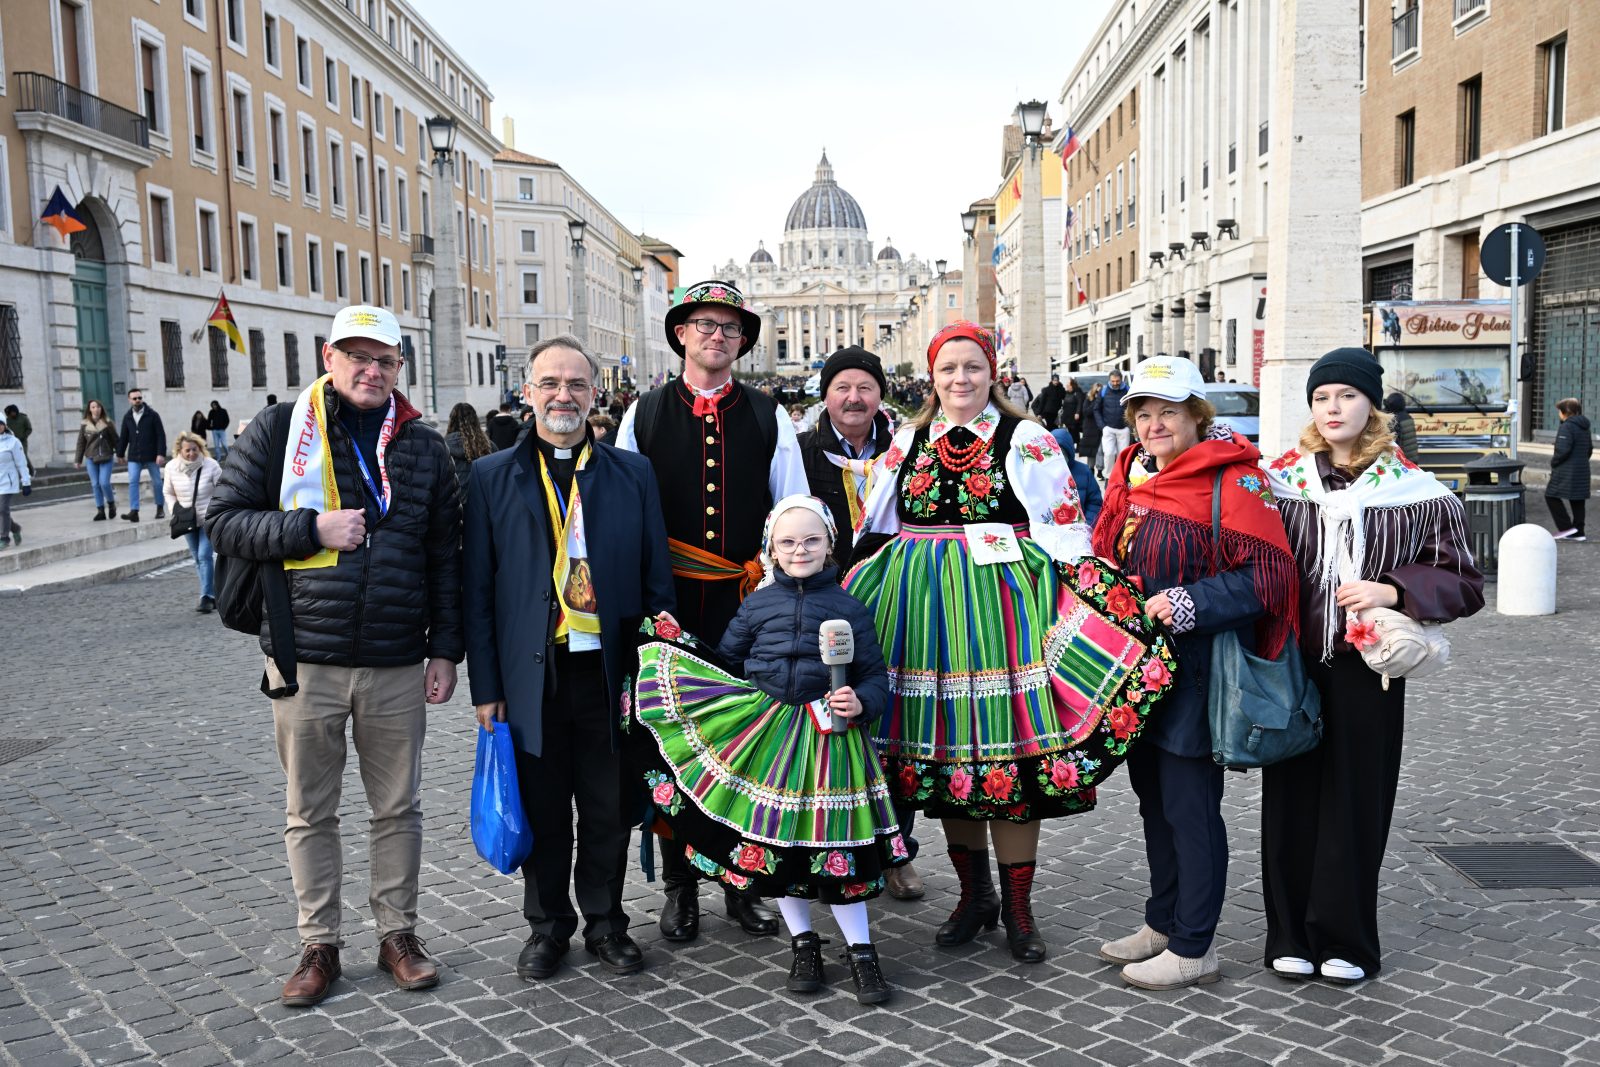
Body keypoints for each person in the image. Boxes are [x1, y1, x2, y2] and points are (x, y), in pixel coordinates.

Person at [847, 323, 1173, 965]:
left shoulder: (1024, 437)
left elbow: (1063, 527)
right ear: (932, 378)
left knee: (1006, 749)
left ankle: (1019, 907)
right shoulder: (908, 440)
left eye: (972, 367)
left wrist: (1095, 593)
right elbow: (875, 523)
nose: (960, 379)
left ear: (992, 373)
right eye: (948, 369)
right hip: (922, 615)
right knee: (945, 754)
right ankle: (976, 897)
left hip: (1002, 609)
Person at [206, 304, 463, 1008]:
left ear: (399, 367)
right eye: (356, 355)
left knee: (398, 807)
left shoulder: (424, 448)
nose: (370, 370)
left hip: (396, 658)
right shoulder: (280, 429)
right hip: (304, 657)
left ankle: (397, 935)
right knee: (309, 810)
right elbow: (222, 520)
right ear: (329, 357)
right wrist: (308, 529)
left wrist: (446, 649)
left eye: (383, 359)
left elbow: (445, 556)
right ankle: (318, 943)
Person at [1262, 349, 1484, 986]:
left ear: (1372, 404)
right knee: (1290, 800)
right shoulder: (1279, 483)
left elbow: (1464, 582)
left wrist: (1393, 588)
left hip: (1368, 668)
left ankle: (1346, 939)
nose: (1332, 408)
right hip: (1293, 661)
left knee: (1357, 800)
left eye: (1346, 396)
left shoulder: (1415, 492)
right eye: (1321, 397)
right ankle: (1289, 934)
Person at [463, 336, 675, 982]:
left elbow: (656, 583)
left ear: (594, 393)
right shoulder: (490, 476)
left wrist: (654, 672)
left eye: (577, 384)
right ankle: (547, 926)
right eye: (550, 383)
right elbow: (478, 591)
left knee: (608, 808)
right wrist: (486, 687)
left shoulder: (632, 474)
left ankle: (607, 923)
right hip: (533, 675)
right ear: (528, 392)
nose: (564, 395)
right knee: (545, 808)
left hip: (610, 675)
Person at [634, 496, 901, 1004]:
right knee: (778, 846)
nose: (800, 550)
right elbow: (724, 662)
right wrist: (678, 645)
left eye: (811, 541)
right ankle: (803, 944)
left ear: (829, 545)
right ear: (772, 550)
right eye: (788, 542)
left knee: (838, 846)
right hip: (769, 737)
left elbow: (874, 676)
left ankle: (862, 952)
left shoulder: (849, 607)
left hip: (831, 740)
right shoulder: (756, 605)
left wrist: (861, 701)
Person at [1091, 355, 1298, 991]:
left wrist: (1190, 602)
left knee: (1190, 809)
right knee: (1154, 803)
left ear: (1197, 416)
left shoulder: (1233, 480)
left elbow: (1269, 577)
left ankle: (1194, 945)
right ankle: (1163, 921)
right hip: (1137, 674)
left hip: (1198, 675)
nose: (1154, 425)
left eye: (1169, 413)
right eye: (1143, 414)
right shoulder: (1131, 474)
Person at [616, 279, 807, 943]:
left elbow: (793, 511)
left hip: (745, 603)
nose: (717, 336)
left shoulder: (769, 415)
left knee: (744, 745)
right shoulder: (642, 414)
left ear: (742, 341)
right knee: (670, 746)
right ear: (681, 334)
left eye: (729, 327)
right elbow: (621, 514)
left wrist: (783, 597)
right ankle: (679, 887)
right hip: (665, 606)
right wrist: (640, 605)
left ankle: (739, 883)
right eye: (705, 324)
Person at [795, 346, 922, 901]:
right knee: (820, 729)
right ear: (825, 395)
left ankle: (897, 853)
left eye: (865, 387)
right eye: (842, 387)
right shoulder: (801, 452)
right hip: (820, 605)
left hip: (895, 606)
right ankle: (821, 849)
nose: (853, 398)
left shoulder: (906, 450)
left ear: (880, 395)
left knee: (893, 728)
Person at [163, 431, 223, 612]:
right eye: (187, 450)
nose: (191, 453)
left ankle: (206, 596)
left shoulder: (211, 465)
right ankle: (212, 593)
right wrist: (174, 509)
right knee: (197, 557)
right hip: (185, 520)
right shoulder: (171, 467)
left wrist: (217, 511)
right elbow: (168, 492)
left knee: (204, 556)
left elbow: (222, 489)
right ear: (180, 451)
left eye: (194, 449)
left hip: (208, 519)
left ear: (200, 448)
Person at [117, 387, 167, 523]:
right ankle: (134, 511)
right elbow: (124, 436)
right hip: (134, 455)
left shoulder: (153, 415)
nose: (138, 400)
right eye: (135, 398)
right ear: (129, 400)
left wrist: (160, 453)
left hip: (152, 455)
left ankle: (160, 508)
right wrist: (120, 453)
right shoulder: (127, 417)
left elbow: (160, 435)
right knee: (133, 481)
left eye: (139, 398)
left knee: (157, 482)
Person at [1547, 398, 1592, 542]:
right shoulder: (1584, 426)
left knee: (1551, 495)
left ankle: (1566, 528)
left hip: (1566, 470)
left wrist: (1554, 462)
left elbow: (1562, 450)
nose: (1558, 414)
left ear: (1565, 412)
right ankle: (1579, 532)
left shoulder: (1567, 426)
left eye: (1559, 411)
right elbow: (1589, 449)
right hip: (1582, 469)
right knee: (1577, 500)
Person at [1049, 428, 1103, 527]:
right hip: (1051, 530)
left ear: (1069, 453)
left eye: (1062, 453)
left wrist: (1088, 525)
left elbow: (1095, 503)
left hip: (1081, 528)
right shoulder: (1043, 473)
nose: (1058, 458)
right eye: (1054, 453)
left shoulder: (1084, 471)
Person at [75, 399, 119, 520]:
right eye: (93, 407)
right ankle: (100, 511)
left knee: (104, 483)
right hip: (91, 457)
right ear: (89, 409)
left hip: (106, 456)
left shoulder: (108, 423)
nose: (96, 409)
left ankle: (111, 504)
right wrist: (78, 460)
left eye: (98, 407)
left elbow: (116, 440)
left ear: (101, 409)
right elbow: (81, 443)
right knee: (95, 484)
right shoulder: (85, 425)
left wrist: (120, 455)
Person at [445, 402, 494, 498]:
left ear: (452, 421)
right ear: (475, 420)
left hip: (454, 499)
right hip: (482, 498)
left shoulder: (442, 446)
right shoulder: (489, 446)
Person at [1094, 368, 1131, 481]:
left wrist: (1130, 425)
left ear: (1121, 380)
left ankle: (1122, 476)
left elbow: (1133, 408)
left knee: (1123, 455)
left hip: (1123, 428)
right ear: (1109, 380)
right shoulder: (1104, 391)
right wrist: (1102, 426)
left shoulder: (1128, 390)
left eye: (1117, 381)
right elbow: (1096, 409)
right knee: (1109, 453)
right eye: (1113, 381)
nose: (1115, 383)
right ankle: (1108, 477)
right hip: (1108, 428)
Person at [0, 413, 29, 548]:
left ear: (4, 425)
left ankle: (4, 538)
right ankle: (15, 528)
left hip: (8, 482)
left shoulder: (13, 442)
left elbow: (21, 463)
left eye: (0, 424)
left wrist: (26, 482)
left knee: (2, 508)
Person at [1382, 393, 1418, 462]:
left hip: (1399, 461)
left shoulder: (1392, 419)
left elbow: (1394, 444)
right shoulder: (1407, 417)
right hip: (1410, 460)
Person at [1079, 382, 1103, 473]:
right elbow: (1086, 412)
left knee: (1101, 450)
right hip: (1090, 427)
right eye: (1097, 391)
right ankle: (1091, 468)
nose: (1098, 393)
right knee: (1091, 450)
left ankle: (1100, 470)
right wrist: (1096, 401)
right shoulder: (1089, 399)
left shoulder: (1104, 399)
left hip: (1100, 427)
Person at [3, 405, 32, 475]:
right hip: (12, 442)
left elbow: (29, 429)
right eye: (10, 413)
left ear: (15, 411)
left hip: (22, 441)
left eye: (12, 412)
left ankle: (31, 470)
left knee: (23, 455)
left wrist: (24, 436)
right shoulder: (7, 420)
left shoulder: (23, 418)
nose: (11, 414)